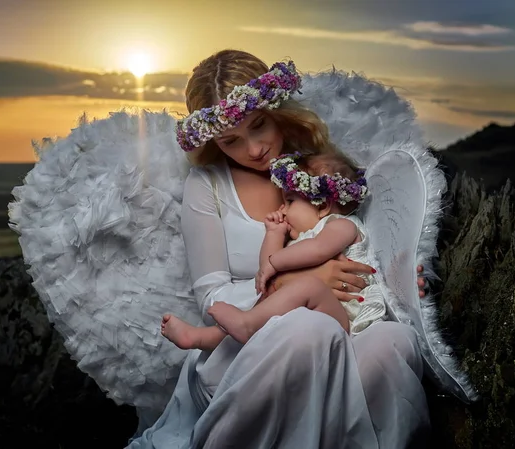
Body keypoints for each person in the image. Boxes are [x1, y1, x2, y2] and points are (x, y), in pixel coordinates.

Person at [127, 50, 430, 449]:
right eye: (231, 140)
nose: (253, 149)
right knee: (309, 329)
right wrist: (301, 280)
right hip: (245, 347)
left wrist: (400, 278)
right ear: (213, 141)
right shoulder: (208, 185)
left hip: (341, 324)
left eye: (259, 126)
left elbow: (363, 243)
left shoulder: (319, 169)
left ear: (277, 111)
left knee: (394, 342)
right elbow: (212, 297)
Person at [160, 151, 387, 350]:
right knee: (269, 296)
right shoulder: (300, 240)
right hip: (309, 322)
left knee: (307, 286)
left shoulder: (341, 225)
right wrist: (274, 234)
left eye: (289, 201)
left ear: (322, 205)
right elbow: (265, 268)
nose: (282, 210)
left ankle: (245, 326)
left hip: (347, 320)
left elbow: (317, 250)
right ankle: (207, 338)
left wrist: (276, 263)